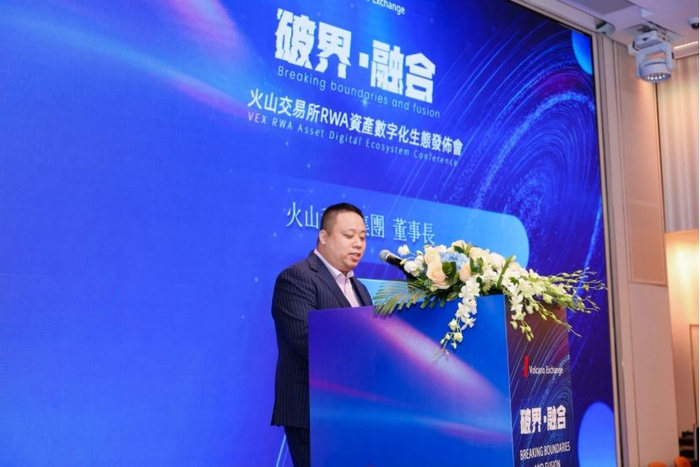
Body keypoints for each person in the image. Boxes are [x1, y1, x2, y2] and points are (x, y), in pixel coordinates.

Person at [271, 202, 373, 467]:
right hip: (314, 413)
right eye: (349, 236)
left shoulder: (360, 289)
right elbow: (308, 341)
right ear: (324, 237)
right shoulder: (296, 278)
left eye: (363, 237)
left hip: (355, 413)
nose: (358, 244)